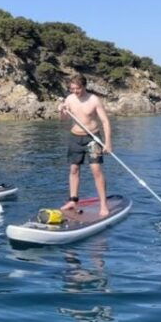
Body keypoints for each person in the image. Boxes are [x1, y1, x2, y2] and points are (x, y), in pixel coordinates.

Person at [59, 74, 112, 217]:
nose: (75, 91)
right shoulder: (69, 99)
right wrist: (61, 110)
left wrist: (108, 143)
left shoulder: (94, 100)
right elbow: (63, 120)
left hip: (92, 139)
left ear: (84, 86)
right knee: (74, 169)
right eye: (72, 89)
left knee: (96, 170)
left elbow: (105, 122)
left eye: (77, 88)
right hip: (75, 138)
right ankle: (73, 201)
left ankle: (103, 205)